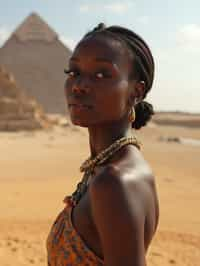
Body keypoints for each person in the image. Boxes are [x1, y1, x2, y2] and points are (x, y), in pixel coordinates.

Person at [46, 23, 159, 266]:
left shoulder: (115, 181)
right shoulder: (105, 169)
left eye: (101, 74)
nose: (79, 85)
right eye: (73, 72)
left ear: (135, 92)